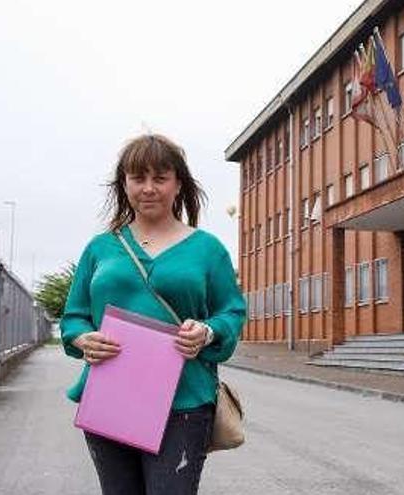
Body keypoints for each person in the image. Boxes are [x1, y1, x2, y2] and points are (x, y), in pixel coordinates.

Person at [59, 133, 247, 495]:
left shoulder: (208, 249)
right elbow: (74, 317)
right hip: (109, 396)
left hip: (184, 400)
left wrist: (207, 331)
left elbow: (232, 311)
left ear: (178, 184)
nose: (148, 188)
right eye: (138, 178)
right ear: (124, 184)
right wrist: (82, 338)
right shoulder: (101, 248)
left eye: (160, 178)